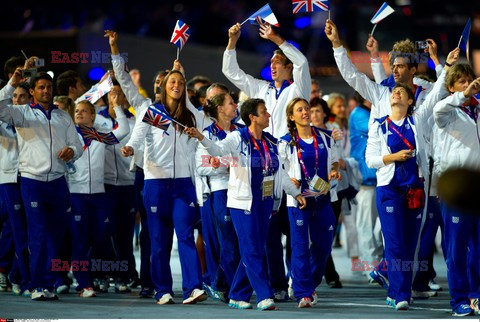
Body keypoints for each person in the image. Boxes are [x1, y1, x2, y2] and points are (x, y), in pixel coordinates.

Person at [185, 98, 307, 311]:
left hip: (266, 203)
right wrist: (201, 137)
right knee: (251, 248)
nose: (269, 115)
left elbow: (281, 173)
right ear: (253, 117)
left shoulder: (270, 142)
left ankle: (237, 294)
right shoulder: (237, 138)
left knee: (256, 249)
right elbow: (216, 149)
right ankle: (263, 295)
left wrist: (296, 194)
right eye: (264, 111)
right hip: (242, 203)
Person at [223, 20, 311, 300]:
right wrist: (232, 42)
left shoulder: (296, 91)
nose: (273, 65)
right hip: (263, 169)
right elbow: (230, 71)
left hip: (293, 166)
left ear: (288, 68)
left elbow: (304, 64)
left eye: (278, 62)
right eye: (271, 62)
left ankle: (297, 284)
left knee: (294, 232)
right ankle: (272, 284)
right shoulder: (259, 89)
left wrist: (277, 40)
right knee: (268, 233)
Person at [121, 64, 208, 305]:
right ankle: (163, 290)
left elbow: (201, 134)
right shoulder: (152, 112)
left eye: (181, 83)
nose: (177, 86)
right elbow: (137, 137)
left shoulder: (189, 115)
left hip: (183, 184)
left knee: (185, 235)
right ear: (163, 87)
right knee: (159, 241)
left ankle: (193, 287)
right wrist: (131, 148)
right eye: (172, 82)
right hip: (156, 183)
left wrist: (180, 73)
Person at [0, 71, 83, 301]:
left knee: (56, 236)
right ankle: (36, 284)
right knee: (37, 234)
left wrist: (72, 152)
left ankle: (49, 284)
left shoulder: (63, 117)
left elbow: (77, 143)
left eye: (48, 87)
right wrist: (11, 85)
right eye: (41, 87)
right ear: (33, 92)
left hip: (58, 181)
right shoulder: (21, 113)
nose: (46, 90)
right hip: (31, 181)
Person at [278, 97, 340, 308]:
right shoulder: (285, 142)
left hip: (322, 199)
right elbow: (279, 170)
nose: (306, 112)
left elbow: (335, 159)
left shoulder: (324, 137)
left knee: (323, 246)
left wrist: (334, 170)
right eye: (300, 110)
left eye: (307, 109)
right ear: (291, 116)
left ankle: (307, 283)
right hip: (299, 202)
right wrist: (290, 181)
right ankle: (304, 292)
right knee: (300, 247)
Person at [67, 98, 130, 298]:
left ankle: (93, 275)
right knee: (79, 240)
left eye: (84, 111)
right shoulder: (68, 135)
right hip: (76, 194)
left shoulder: (100, 136)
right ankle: (84, 283)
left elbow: (124, 130)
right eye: (77, 110)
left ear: (93, 116)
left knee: (101, 236)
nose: (79, 113)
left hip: (99, 194)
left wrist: (116, 105)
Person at [433, 64, 480, 317]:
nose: (467, 84)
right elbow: (438, 108)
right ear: (451, 88)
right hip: (457, 191)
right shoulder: (447, 112)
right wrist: (462, 95)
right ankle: (459, 299)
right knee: (456, 250)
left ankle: (477, 295)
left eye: (469, 80)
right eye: (461, 81)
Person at [195, 92, 242, 301]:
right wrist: (226, 166)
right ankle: (234, 289)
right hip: (220, 190)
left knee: (241, 241)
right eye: (231, 103)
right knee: (228, 241)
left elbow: (248, 159)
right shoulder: (207, 133)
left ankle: (220, 284)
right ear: (220, 109)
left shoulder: (242, 131)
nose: (235, 105)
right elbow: (200, 166)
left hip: (242, 189)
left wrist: (224, 163)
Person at [349, 92, 383, 277]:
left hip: (379, 178)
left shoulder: (368, 113)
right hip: (365, 178)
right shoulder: (359, 114)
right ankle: (370, 266)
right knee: (366, 224)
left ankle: (377, 264)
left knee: (380, 227)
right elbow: (376, 129)